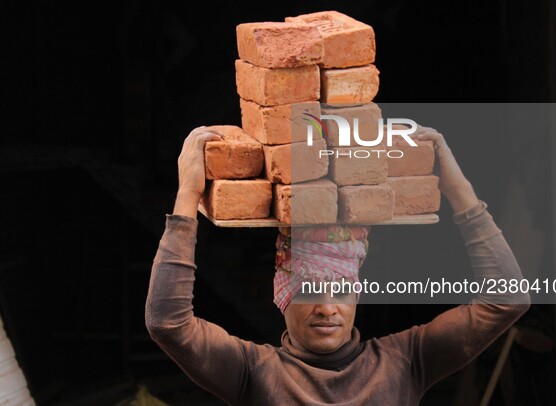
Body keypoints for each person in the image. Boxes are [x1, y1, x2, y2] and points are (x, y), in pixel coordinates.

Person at [145, 125, 531, 405]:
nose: (328, 307)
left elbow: (507, 301)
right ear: (282, 294)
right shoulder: (252, 373)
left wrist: (455, 186)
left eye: (342, 289)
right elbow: (168, 323)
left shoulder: (406, 361)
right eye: (310, 288)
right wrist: (187, 194)